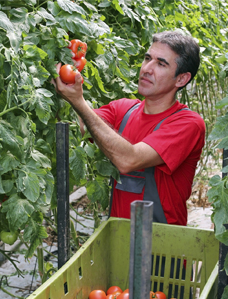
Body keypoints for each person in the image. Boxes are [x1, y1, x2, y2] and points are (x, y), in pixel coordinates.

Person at [53, 30, 205, 226]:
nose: (147, 69)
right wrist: (62, 76)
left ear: (181, 79)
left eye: (161, 64)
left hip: (162, 247)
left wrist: (79, 102)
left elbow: (128, 159)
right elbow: (79, 127)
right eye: (147, 58)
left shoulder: (187, 124)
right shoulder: (123, 110)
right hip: (119, 241)